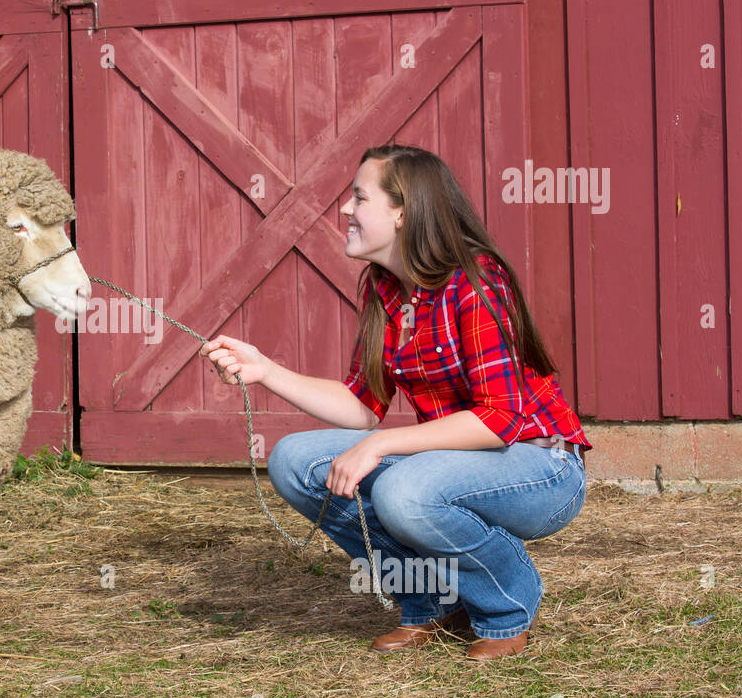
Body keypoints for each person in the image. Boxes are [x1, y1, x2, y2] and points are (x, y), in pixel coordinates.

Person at [200, 144, 591, 660]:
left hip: (542, 467)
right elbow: (361, 405)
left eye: (360, 197)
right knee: (294, 462)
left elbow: (501, 419)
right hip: (459, 460)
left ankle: (504, 604)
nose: (346, 209)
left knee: (405, 491)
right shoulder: (385, 289)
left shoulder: (475, 283)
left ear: (403, 212)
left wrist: (381, 446)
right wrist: (265, 371)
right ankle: (429, 600)